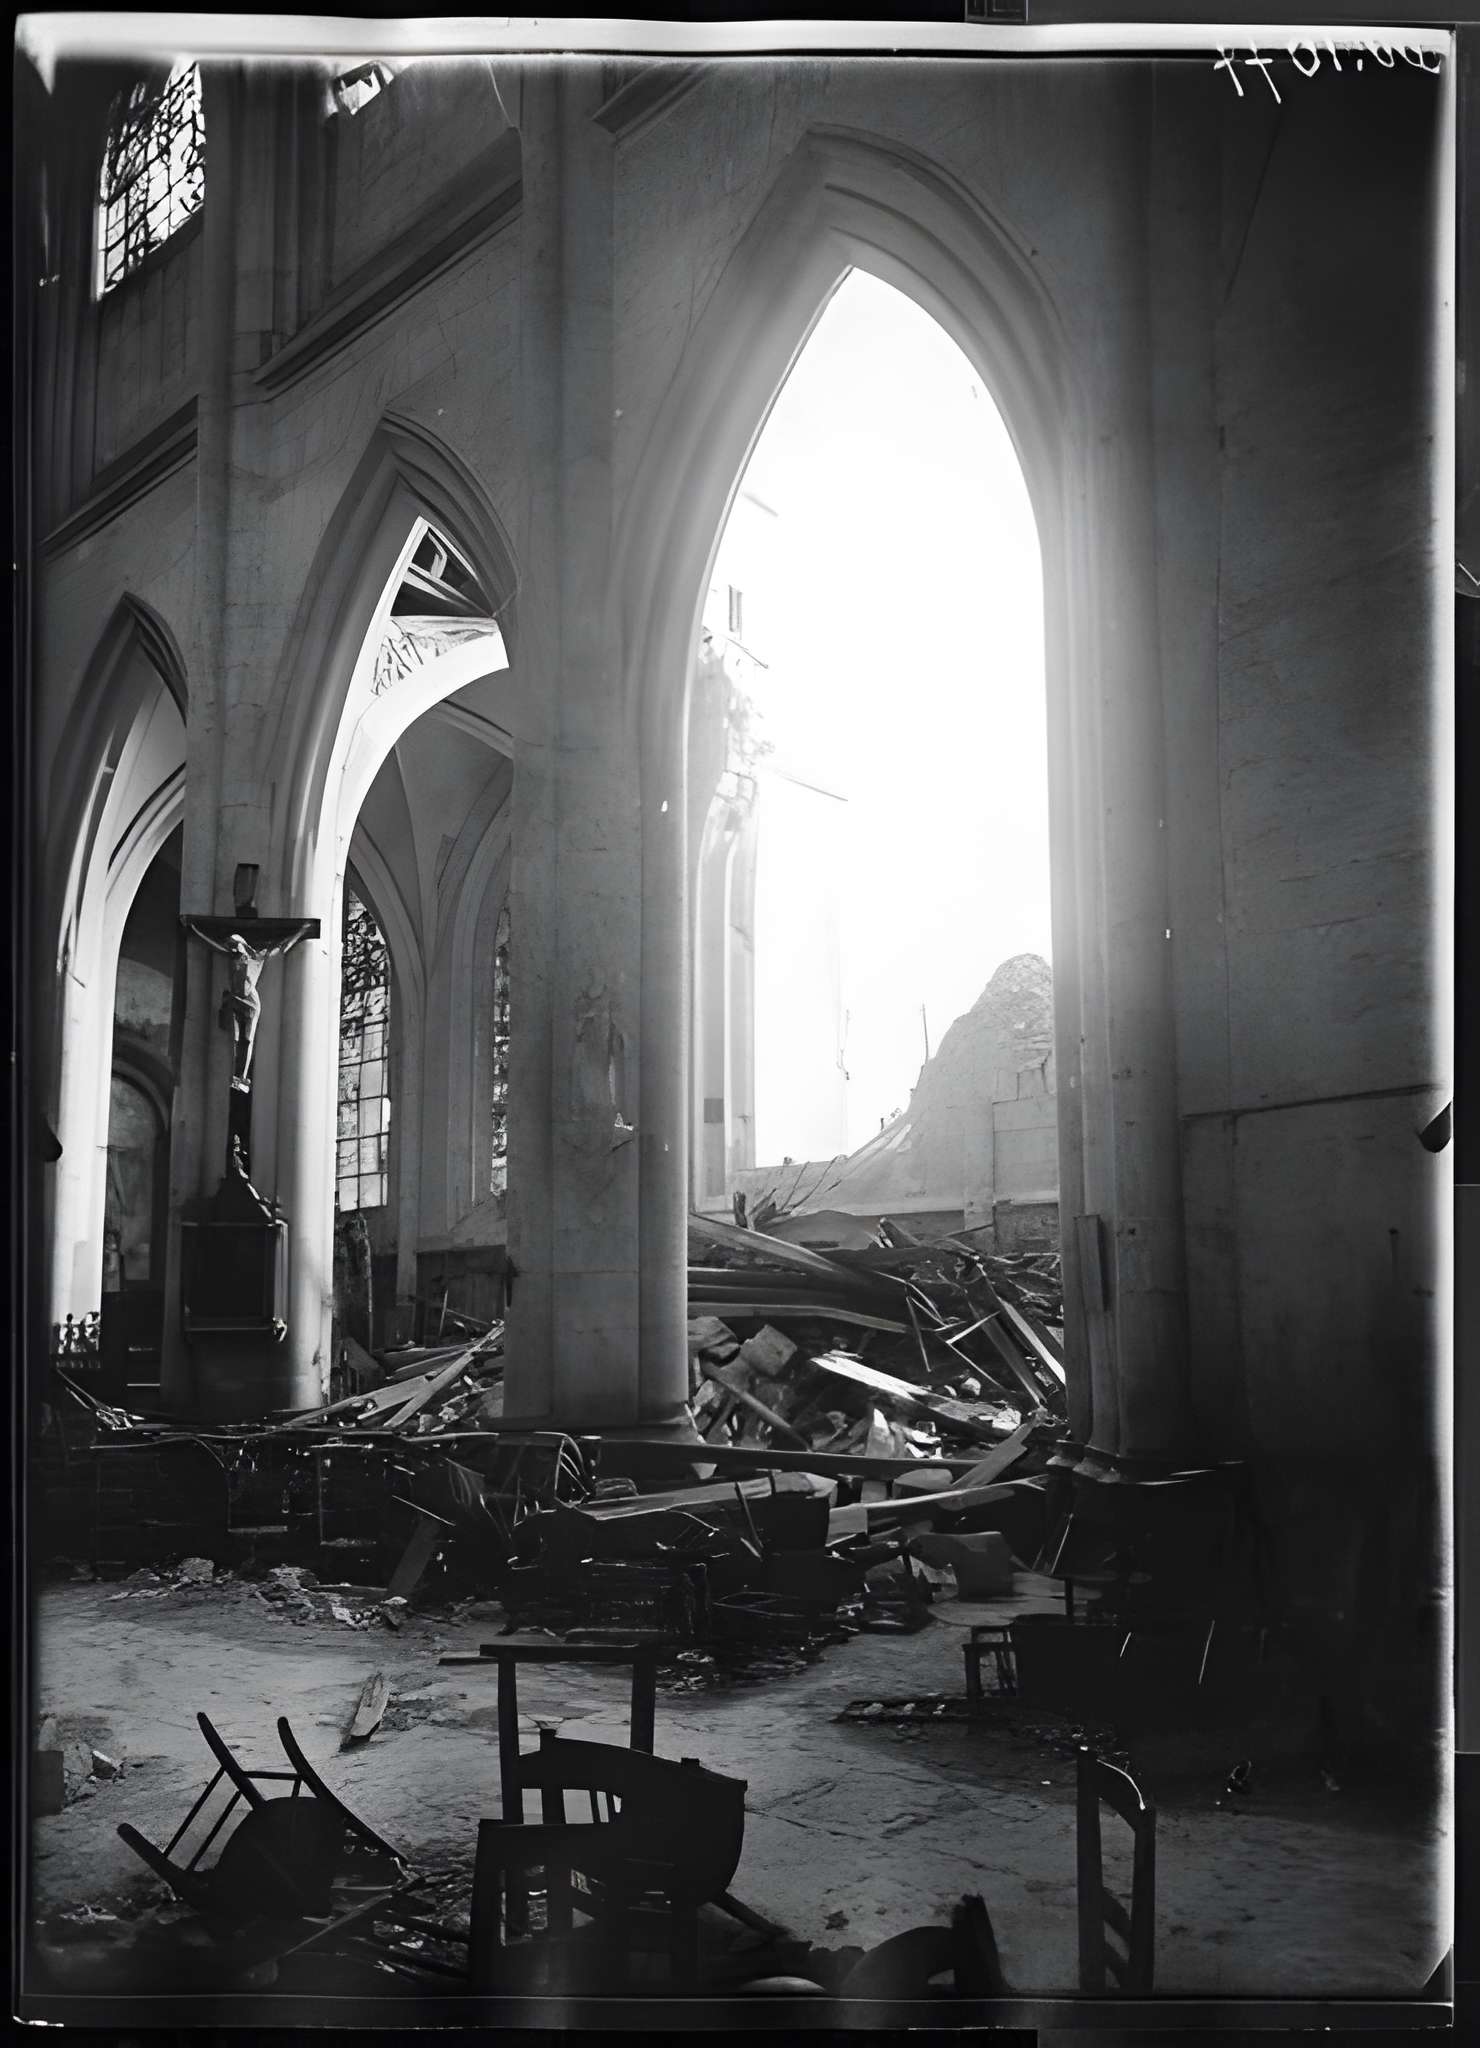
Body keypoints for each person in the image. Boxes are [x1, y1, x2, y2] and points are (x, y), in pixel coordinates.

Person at [184, 923, 312, 1090]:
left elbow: (283, 945)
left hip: (251, 1001)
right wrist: (194, 930)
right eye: (230, 945)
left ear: (242, 944)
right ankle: (236, 1078)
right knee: (235, 1039)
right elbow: (212, 945)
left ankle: (243, 1077)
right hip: (235, 999)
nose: (232, 948)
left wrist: (302, 930)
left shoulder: (258, 956)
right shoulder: (232, 955)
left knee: (248, 1039)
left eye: (233, 944)